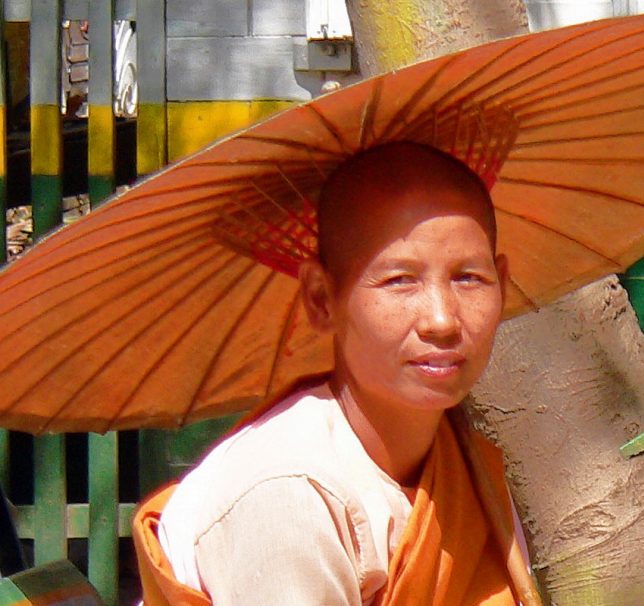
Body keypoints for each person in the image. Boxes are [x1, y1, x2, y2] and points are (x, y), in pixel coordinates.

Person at [133, 142, 540, 605]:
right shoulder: (287, 496)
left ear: (502, 285)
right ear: (322, 299)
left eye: (469, 278)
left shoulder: (462, 462)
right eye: (399, 281)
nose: (442, 320)